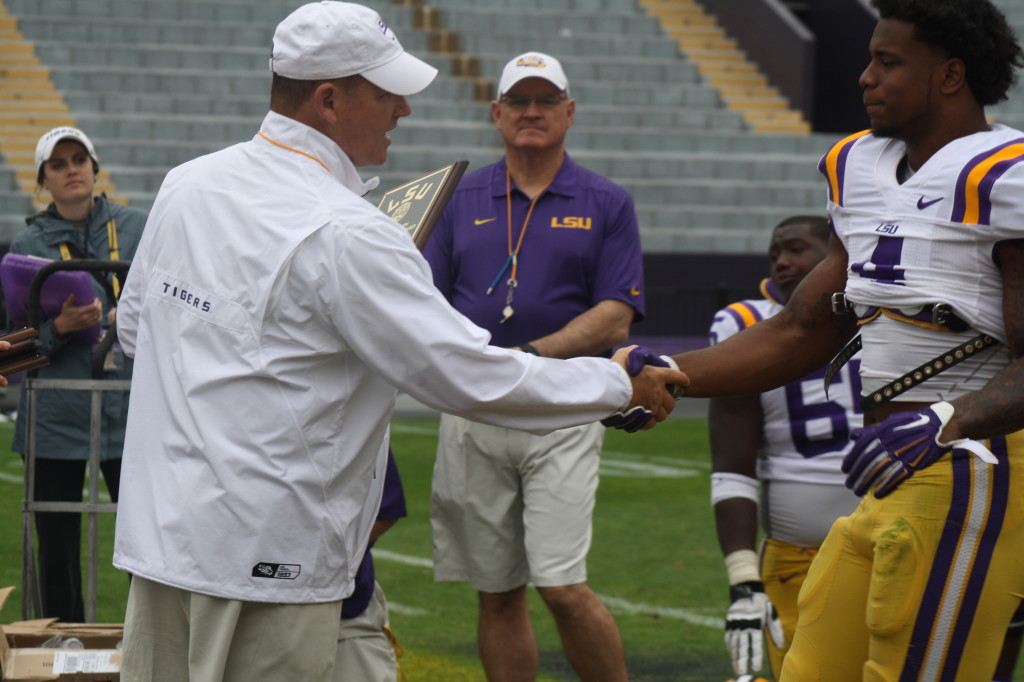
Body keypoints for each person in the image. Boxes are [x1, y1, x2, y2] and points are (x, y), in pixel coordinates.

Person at [110, 4, 685, 680]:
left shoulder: (187, 183)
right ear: (329, 100)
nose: (403, 110)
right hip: (270, 552)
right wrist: (617, 384)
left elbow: (134, 331)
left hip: (163, 536)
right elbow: (467, 377)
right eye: (386, 92)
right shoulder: (347, 229)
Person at [639, 1, 1024, 678]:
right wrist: (670, 370)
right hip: (883, 478)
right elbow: (803, 330)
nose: (865, 78)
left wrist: (947, 419)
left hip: (974, 472)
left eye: (888, 61)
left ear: (950, 75)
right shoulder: (856, 167)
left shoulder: (1004, 176)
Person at [422, 51, 643, 682]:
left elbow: (616, 314)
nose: (532, 112)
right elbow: (426, 300)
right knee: (495, 590)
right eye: (519, 101)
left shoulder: (606, 200)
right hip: (475, 405)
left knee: (562, 586)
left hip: (563, 405)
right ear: (496, 113)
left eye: (546, 101)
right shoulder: (457, 195)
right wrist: (481, 366)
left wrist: (529, 358)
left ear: (569, 112)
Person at [707, 216, 862, 678]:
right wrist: (742, 580)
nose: (782, 262)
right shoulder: (745, 322)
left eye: (796, 249)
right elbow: (732, 465)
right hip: (795, 555)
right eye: (775, 253)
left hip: (887, 541)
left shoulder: (883, 312)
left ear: (838, 256)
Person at [6, 126, 146, 622]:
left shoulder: (136, 226)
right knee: (57, 548)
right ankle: (58, 648)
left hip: (132, 414)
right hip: (55, 418)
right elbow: (10, 344)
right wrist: (59, 328)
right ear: (44, 180)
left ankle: (153, 649)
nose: (72, 170)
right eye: (58, 165)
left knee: (147, 546)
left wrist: (128, 316)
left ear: (94, 166)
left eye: (79, 159)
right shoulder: (27, 243)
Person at [335, 448, 406, 682]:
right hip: (249, 601)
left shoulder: (352, 417)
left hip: (344, 606)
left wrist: (325, 561)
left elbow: (384, 509)